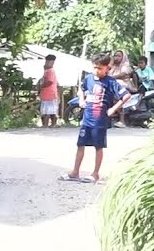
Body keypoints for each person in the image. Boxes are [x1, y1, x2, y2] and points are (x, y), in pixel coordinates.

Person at [61, 53, 131, 184]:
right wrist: (82, 100)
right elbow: (82, 90)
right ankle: (75, 172)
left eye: (100, 68)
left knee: (98, 147)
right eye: (94, 67)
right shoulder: (88, 79)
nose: (96, 71)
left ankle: (95, 173)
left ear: (107, 68)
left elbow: (126, 96)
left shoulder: (111, 82)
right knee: (80, 144)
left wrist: (113, 109)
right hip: (87, 118)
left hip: (100, 120)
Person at [38, 53, 60, 128]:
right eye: (46, 62)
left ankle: (47, 124)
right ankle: (49, 124)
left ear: (52, 63)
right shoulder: (47, 71)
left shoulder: (50, 71)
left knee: (48, 110)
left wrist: (41, 86)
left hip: (50, 93)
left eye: (48, 62)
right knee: (47, 110)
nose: (46, 64)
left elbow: (50, 82)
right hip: (46, 94)